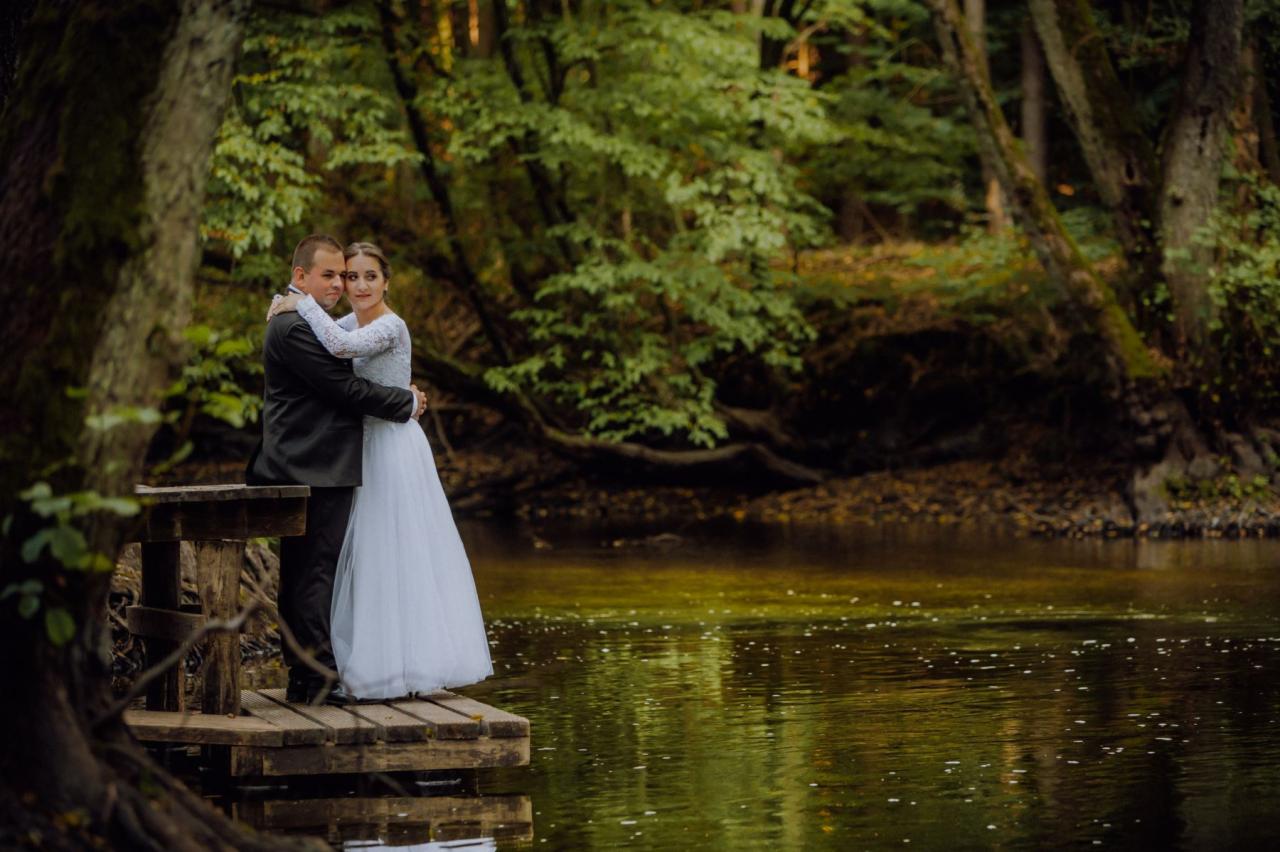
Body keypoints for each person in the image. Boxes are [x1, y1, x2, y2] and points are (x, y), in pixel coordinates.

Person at [268, 241, 493, 700]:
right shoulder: (329, 323)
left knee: (397, 552)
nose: (356, 285)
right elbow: (337, 359)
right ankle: (349, 666)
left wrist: (301, 301)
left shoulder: (388, 325)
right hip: (352, 450)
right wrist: (406, 399)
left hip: (389, 448)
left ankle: (400, 663)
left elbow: (340, 347)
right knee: (360, 560)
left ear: (387, 281)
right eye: (349, 276)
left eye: (368, 276)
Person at [247, 234, 427, 705]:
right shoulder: (296, 326)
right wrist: (405, 401)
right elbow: (342, 390)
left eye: (342, 275)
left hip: (313, 461)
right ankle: (321, 677)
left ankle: (307, 676)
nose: (340, 284)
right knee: (316, 574)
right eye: (331, 275)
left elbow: (346, 361)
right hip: (314, 464)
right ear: (300, 277)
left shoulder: (307, 321)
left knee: (306, 573)